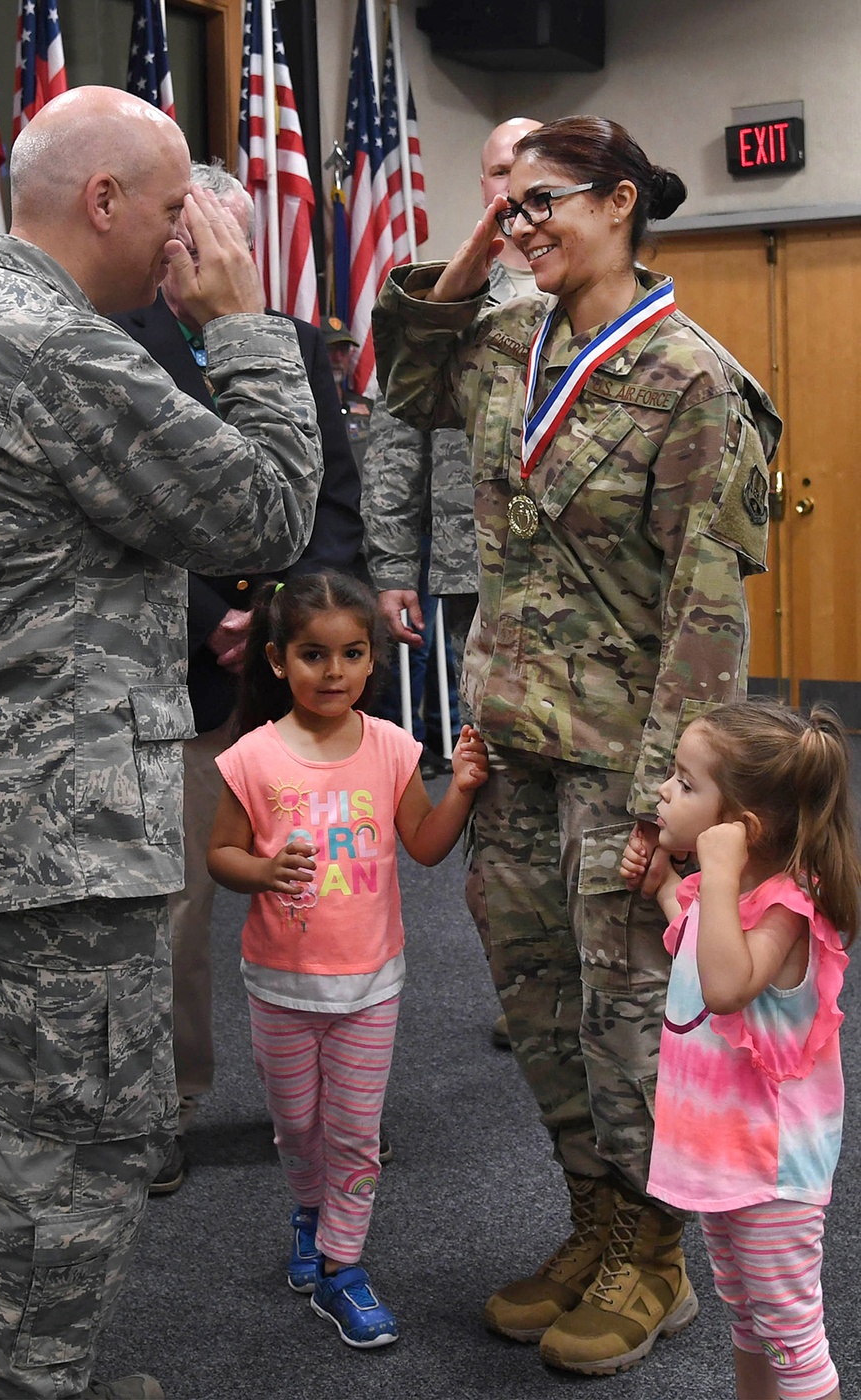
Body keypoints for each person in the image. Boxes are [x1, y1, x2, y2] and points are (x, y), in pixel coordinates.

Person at [0, 87, 322, 1400]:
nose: (194, 240)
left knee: (4, 1111)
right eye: (179, 212)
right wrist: (242, 325)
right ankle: (36, 1383)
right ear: (107, 201)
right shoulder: (54, 349)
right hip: (54, 829)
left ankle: (19, 1370)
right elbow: (270, 511)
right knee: (83, 1134)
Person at [372, 115, 782, 1374]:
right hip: (509, 742)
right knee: (541, 1008)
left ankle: (653, 1259)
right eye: (512, 205)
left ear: (619, 203)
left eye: (545, 202)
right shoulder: (505, 338)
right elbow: (402, 379)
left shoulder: (694, 380)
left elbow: (708, 616)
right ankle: (591, 1221)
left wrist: (676, 804)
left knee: (625, 1024)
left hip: (622, 758)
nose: (520, 224)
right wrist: (484, 242)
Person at [112, 161, 365, 1194]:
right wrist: (207, 616)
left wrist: (277, 619)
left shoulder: (297, 346)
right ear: (173, 238)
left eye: (239, 236)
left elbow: (333, 500)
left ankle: (330, 1106)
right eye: (206, 232)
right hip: (187, 682)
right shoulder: (116, 350)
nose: (224, 254)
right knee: (176, 908)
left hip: (292, 681)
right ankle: (168, 1104)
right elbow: (119, 517)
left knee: (329, 888)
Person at [206, 571, 488, 1348]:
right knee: (298, 1127)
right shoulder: (254, 757)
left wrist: (459, 789)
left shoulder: (393, 747)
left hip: (370, 985)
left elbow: (425, 849)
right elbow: (220, 854)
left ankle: (343, 1267)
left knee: (355, 1133)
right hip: (279, 984)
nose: (333, 673)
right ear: (276, 660)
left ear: (373, 662)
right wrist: (261, 871)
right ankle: (309, 1211)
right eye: (312, 655)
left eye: (352, 654)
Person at [362, 117, 548, 1047]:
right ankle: (524, 980)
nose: (516, 187)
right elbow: (395, 431)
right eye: (501, 169)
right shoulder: (446, 296)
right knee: (495, 772)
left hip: (570, 574)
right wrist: (393, 565)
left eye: (535, 169)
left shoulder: (578, 281)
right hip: (475, 566)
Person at [620, 700, 860, 1400]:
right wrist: (668, 886)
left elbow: (725, 987)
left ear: (740, 831)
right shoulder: (730, 898)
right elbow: (700, 942)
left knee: (791, 1336)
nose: (665, 790)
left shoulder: (787, 909)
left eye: (687, 783)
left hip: (770, 1172)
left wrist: (715, 874)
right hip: (721, 1160)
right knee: (749, 1323)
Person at [321, 315, 373, 469]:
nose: (337, 358)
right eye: (329, 349)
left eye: (343, 350)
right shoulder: (304, 410)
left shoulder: (367, 407)